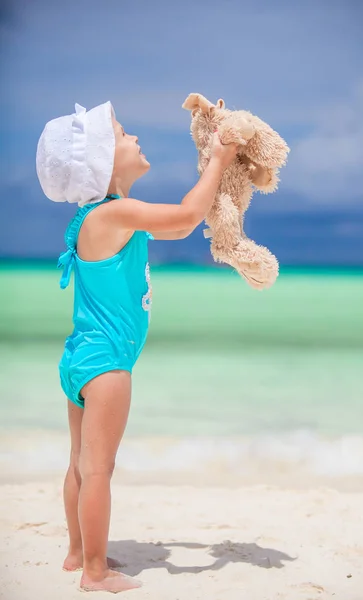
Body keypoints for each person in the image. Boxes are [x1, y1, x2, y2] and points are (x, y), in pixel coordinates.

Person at [36, 101, 237, 593]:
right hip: (108, 364)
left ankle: (77, 552)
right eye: (123, 134)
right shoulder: (117, 212)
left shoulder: (92, 217)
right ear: (104, 162)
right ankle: (95, 573)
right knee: (99, 469)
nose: (134, 137)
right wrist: (218, 161)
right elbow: (188, 217)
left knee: (79, 464)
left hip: (81, 357)